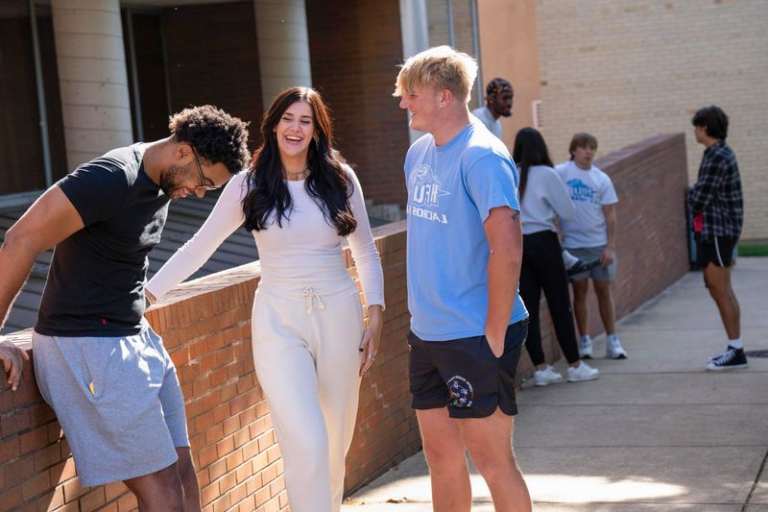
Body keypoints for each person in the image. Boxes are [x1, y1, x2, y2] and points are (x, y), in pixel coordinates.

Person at [145, 86, 384, 512]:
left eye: (305, 121)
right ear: (273, 126)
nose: (295, 128)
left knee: (334, 443)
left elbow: (365, 250)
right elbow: (199, 247)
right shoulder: (247, 185)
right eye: (288, 118)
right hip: (278, 321)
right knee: (306, 440)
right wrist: (147, 293)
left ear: (317, 130)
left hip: (341, 317)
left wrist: (376, 315)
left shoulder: (341, 180)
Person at [0, 105, 251, 511]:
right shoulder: (112, 177)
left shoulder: (163, 182)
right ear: (184, 152)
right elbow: (20, 238)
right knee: (162, 491)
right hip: (87, 345)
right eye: (204, 182)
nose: (200, 193)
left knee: (183, 476)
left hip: (133, 337)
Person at [395, 46, 532, 511]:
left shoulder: (483, 157)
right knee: (441, 458)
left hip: (476, 332)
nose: (403, 103)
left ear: (445, 97)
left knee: (493, 463)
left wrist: (493, 332)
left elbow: (508, 249)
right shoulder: (417, 155)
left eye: (411, 94)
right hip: (429, 334)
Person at [513, 128, 600, 386]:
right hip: (545, 242)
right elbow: (568, 212)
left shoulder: (509, 173)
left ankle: (541, 369)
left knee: (528, 308)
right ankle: (575, 365)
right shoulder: (548, 174)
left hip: (519, 245)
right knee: (560, 305)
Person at [556, 133, 627, 360]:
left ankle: (612, 340)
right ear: (574, 149)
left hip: (599, 246)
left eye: (592, 148)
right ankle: (585, 340)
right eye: (584, 147)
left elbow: (611, 215)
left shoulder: (601, 179)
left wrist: (611, 246)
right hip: (574, 246)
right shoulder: (561, 173)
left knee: (603, 291)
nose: (589, 152)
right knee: (580, 291)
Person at [689, 106, 747, 371]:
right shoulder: (717, 153)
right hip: (716, 230)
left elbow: (700, 198)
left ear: (705, 127)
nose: (695, 131)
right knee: (718, 289)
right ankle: (734, 348)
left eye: (697, 126)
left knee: (720, 289)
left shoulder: (717, 157)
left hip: (719, 230)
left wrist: (691, 196)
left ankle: (736, 351)